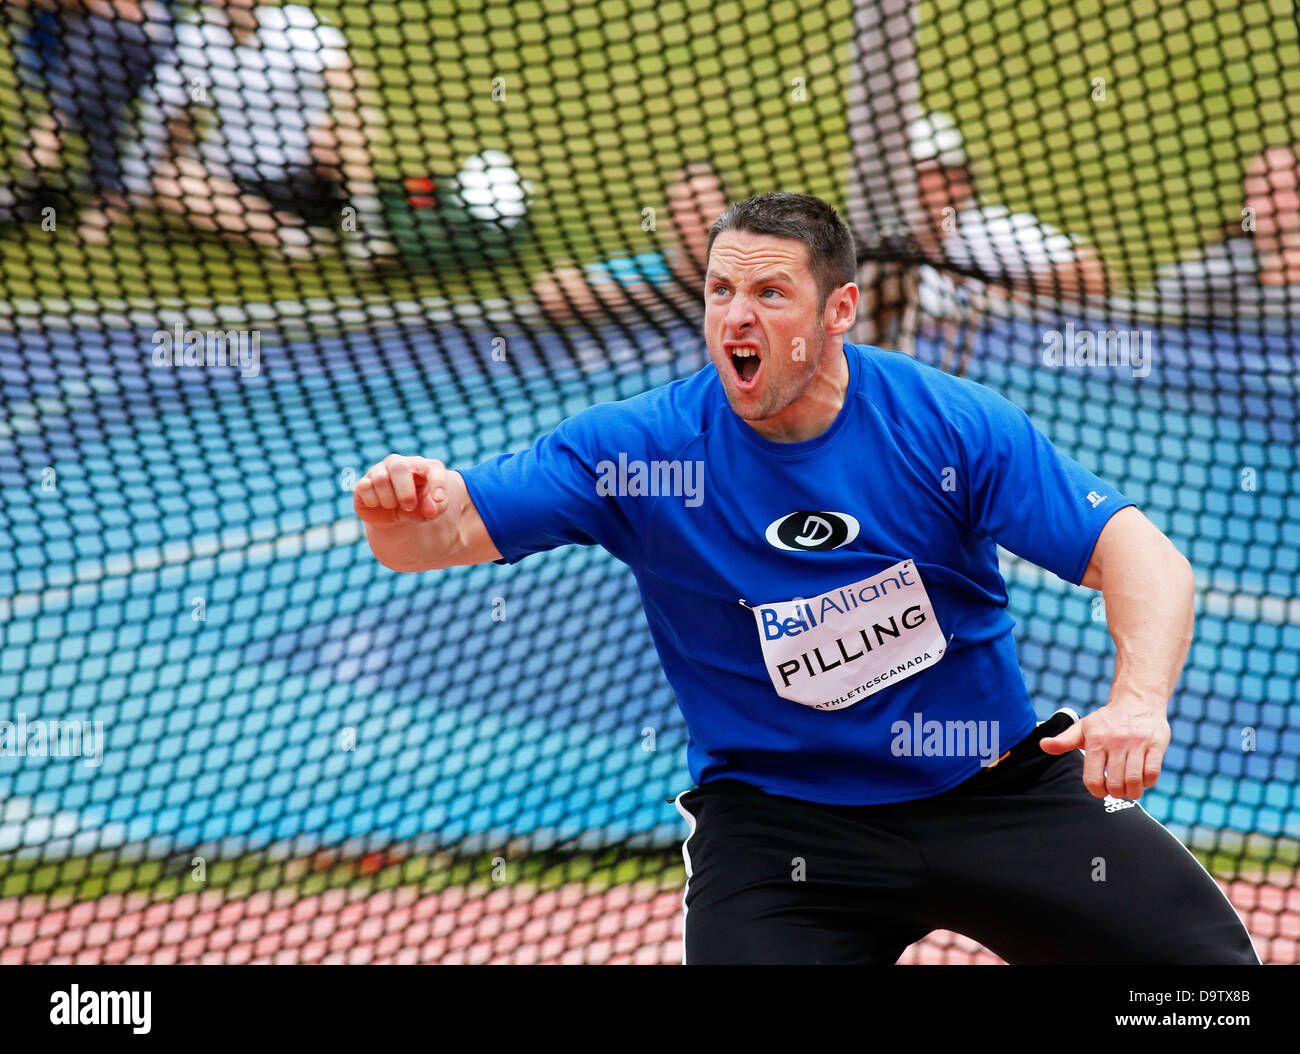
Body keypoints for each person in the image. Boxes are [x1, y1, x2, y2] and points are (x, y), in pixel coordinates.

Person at [353, 192, 1258, 965]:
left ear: (838, 310)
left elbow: (1142, 557)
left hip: (990, 792)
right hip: (782, 831)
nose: (736, 317)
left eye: (770, 293)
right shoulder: (639, 452)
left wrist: (1139, 699)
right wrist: (399, 513)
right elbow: (440, 535)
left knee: (1205, 984)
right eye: (720, 291)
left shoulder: (943, 424)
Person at [101, 0, 395, 260]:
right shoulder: (199, 35)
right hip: (237, 180)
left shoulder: (297, 27)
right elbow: (182, 103)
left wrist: (333, 119)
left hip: (306, 168)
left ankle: (361, 230)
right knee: (169, 180)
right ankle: (289, 236)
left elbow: (347, 82)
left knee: (349, 134)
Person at [853, 112, 1110, 368]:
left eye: (940, 177)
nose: (929, 190)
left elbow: (1095, 273)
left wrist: (1004, 293)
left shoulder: (990, 230)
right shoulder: (881, 245)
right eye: (920, 178)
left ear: (963, 181)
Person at [1, 1, 177, 226]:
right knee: (103, 86)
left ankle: (54, 127)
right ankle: (104, 194)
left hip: (145, 42)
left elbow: (130, 11)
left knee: (102, 37)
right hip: (83, 56)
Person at [531, 161, 730, 324]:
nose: (690, 222)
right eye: (682, 209)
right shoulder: (653, 270)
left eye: (702, 210)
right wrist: (658, 293)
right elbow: (549, 288)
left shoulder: (751, 272)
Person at [1148, 145, 1300, 316]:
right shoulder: (1227, 254)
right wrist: (1262, 271)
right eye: (1264, 189)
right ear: (1247, 195)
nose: (1276, 201)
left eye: (1286, 189)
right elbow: (1169, 286)